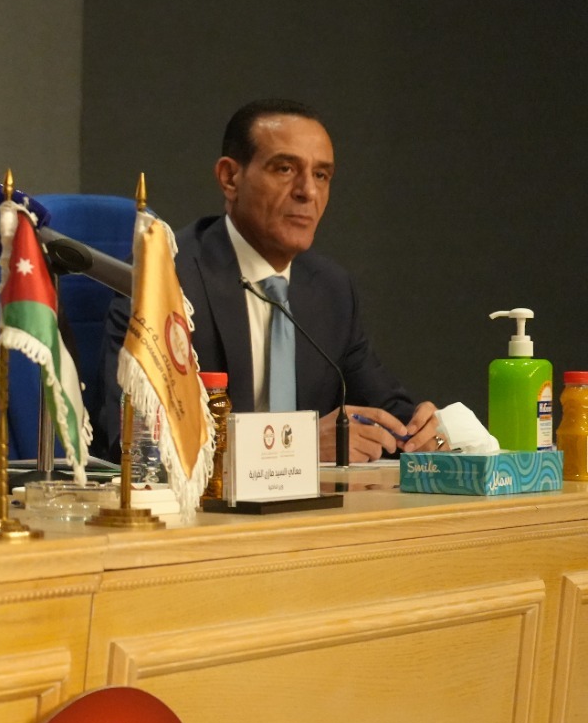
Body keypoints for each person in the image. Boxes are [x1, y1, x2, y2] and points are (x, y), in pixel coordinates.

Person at [96, 98, 443, 463]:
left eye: (321, 175)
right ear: (230, 178)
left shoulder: (331, 290)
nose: (307, 192)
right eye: (285, 169)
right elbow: (136, 442)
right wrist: (295, 447)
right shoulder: (167, 280)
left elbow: (392, 416)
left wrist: (426, 433)